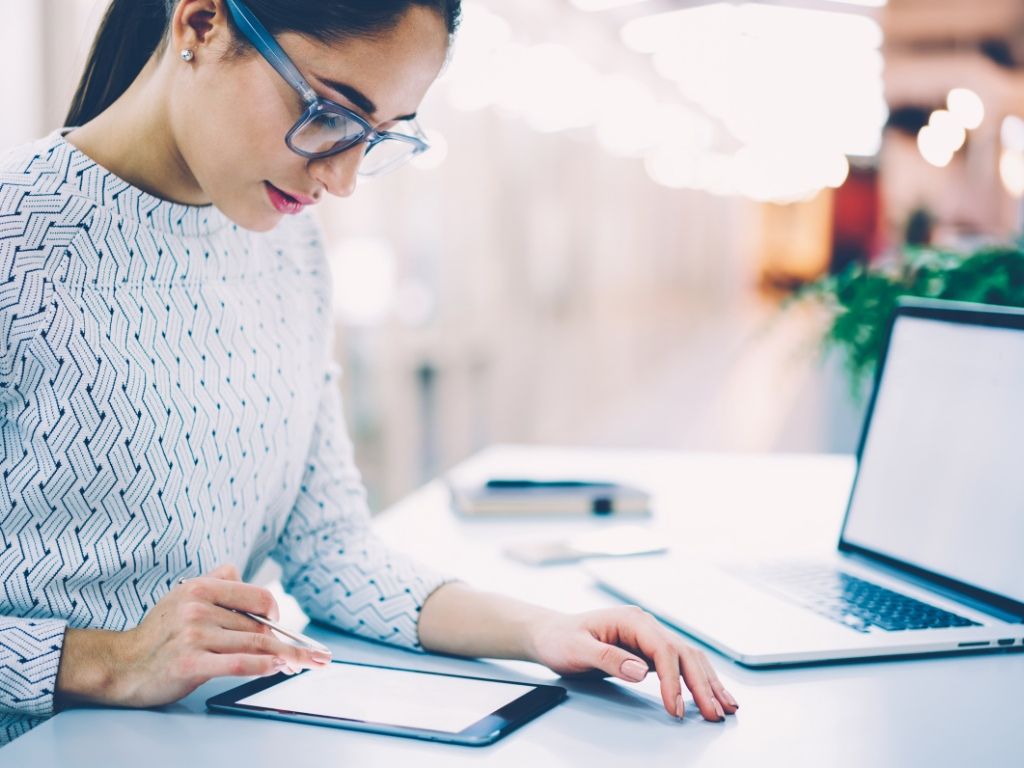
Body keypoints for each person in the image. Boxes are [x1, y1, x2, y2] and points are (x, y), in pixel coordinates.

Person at [0, 0, 738, 745]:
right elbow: (128, 660)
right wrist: (106, 662)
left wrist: (547, 631)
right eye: (328, 111)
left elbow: (329, 548)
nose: (344, 178)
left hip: (205, 743)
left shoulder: (289, 249)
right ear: (201, 24)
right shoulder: (14, 236)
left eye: (378, 138)